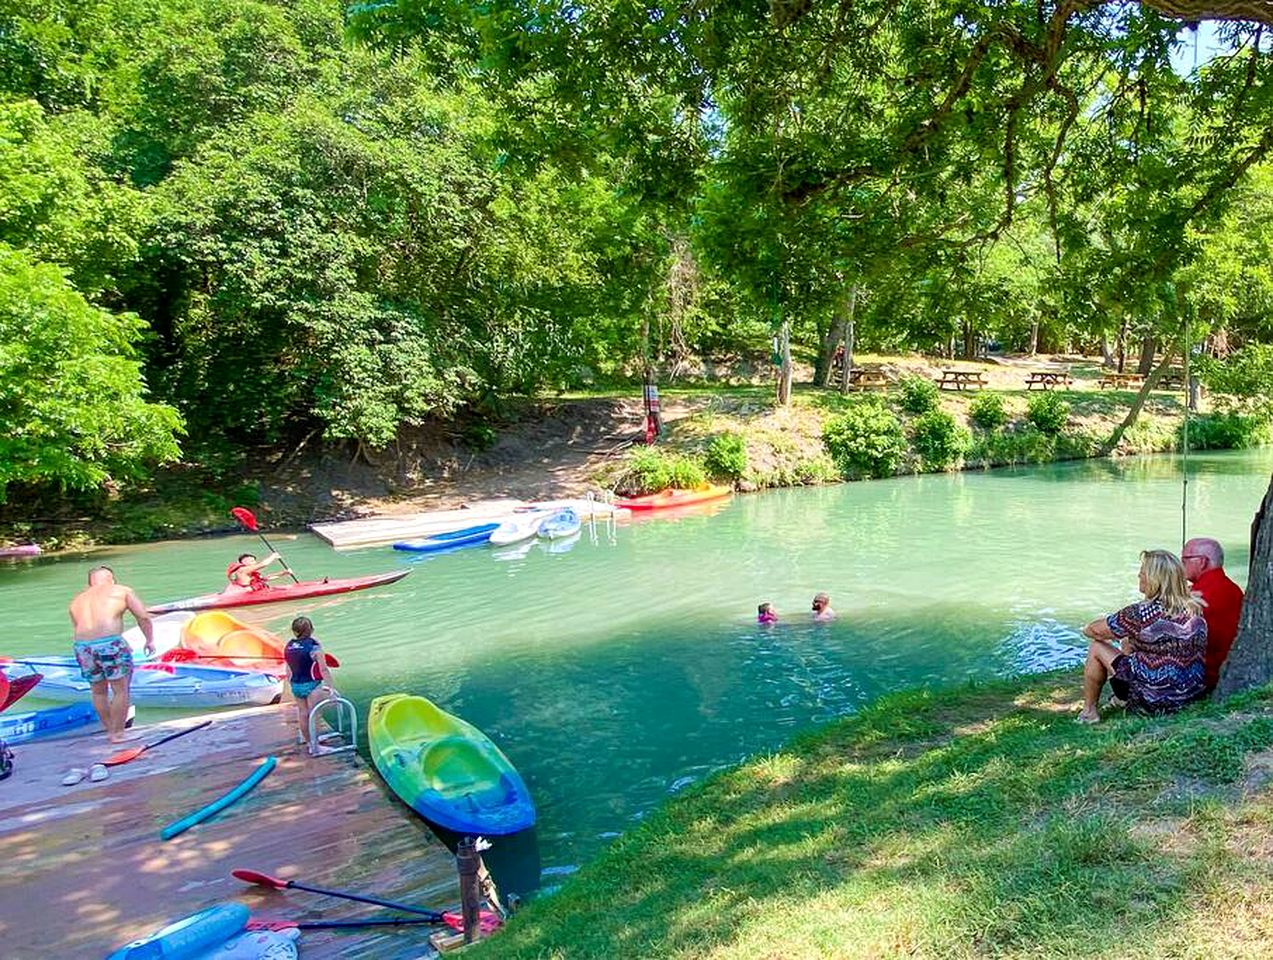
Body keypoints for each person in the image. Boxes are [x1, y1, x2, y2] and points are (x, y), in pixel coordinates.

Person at [1078, 549, 1207, 723]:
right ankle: (1118, 700)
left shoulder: (1140, 613)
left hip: (1152, 699)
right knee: (1128, 642)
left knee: (1096, 646)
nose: (1139, 575)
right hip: (1189, 695)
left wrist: (1086, 629)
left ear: (1154, 579)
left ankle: (1089, 712)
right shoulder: (1194, 607)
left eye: (1143, 572)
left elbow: (1095, 630)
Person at [68, 566, 154, 743]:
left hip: (83, 647)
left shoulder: (77, 600)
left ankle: (110, 731)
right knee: (120, 690)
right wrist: (149, 640)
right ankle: (118, 734)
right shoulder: (122, 591)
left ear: (89, 583)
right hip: (110, 643)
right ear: (112, 579)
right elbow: (143, 616)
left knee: (98, 692)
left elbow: (81, 628)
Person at [1182, 537, 1245, 692]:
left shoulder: (1196, 596)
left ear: (1202, 562)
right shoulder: (1233, 589)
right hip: (1229, 667)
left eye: (1184, 560)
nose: (1180, 565)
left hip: (1205, 674)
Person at [284, 616, 335, 751]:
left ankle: (308, 741)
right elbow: (323, 669)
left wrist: (291, 684)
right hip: (312, 685)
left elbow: (288, 669)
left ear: (294, 631)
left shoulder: (288, 646)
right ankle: (315, 745)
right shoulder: (314, 647)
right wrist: (330, 687)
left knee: (303, 713)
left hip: (296, 684)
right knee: (315, 713)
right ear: (311, 629)